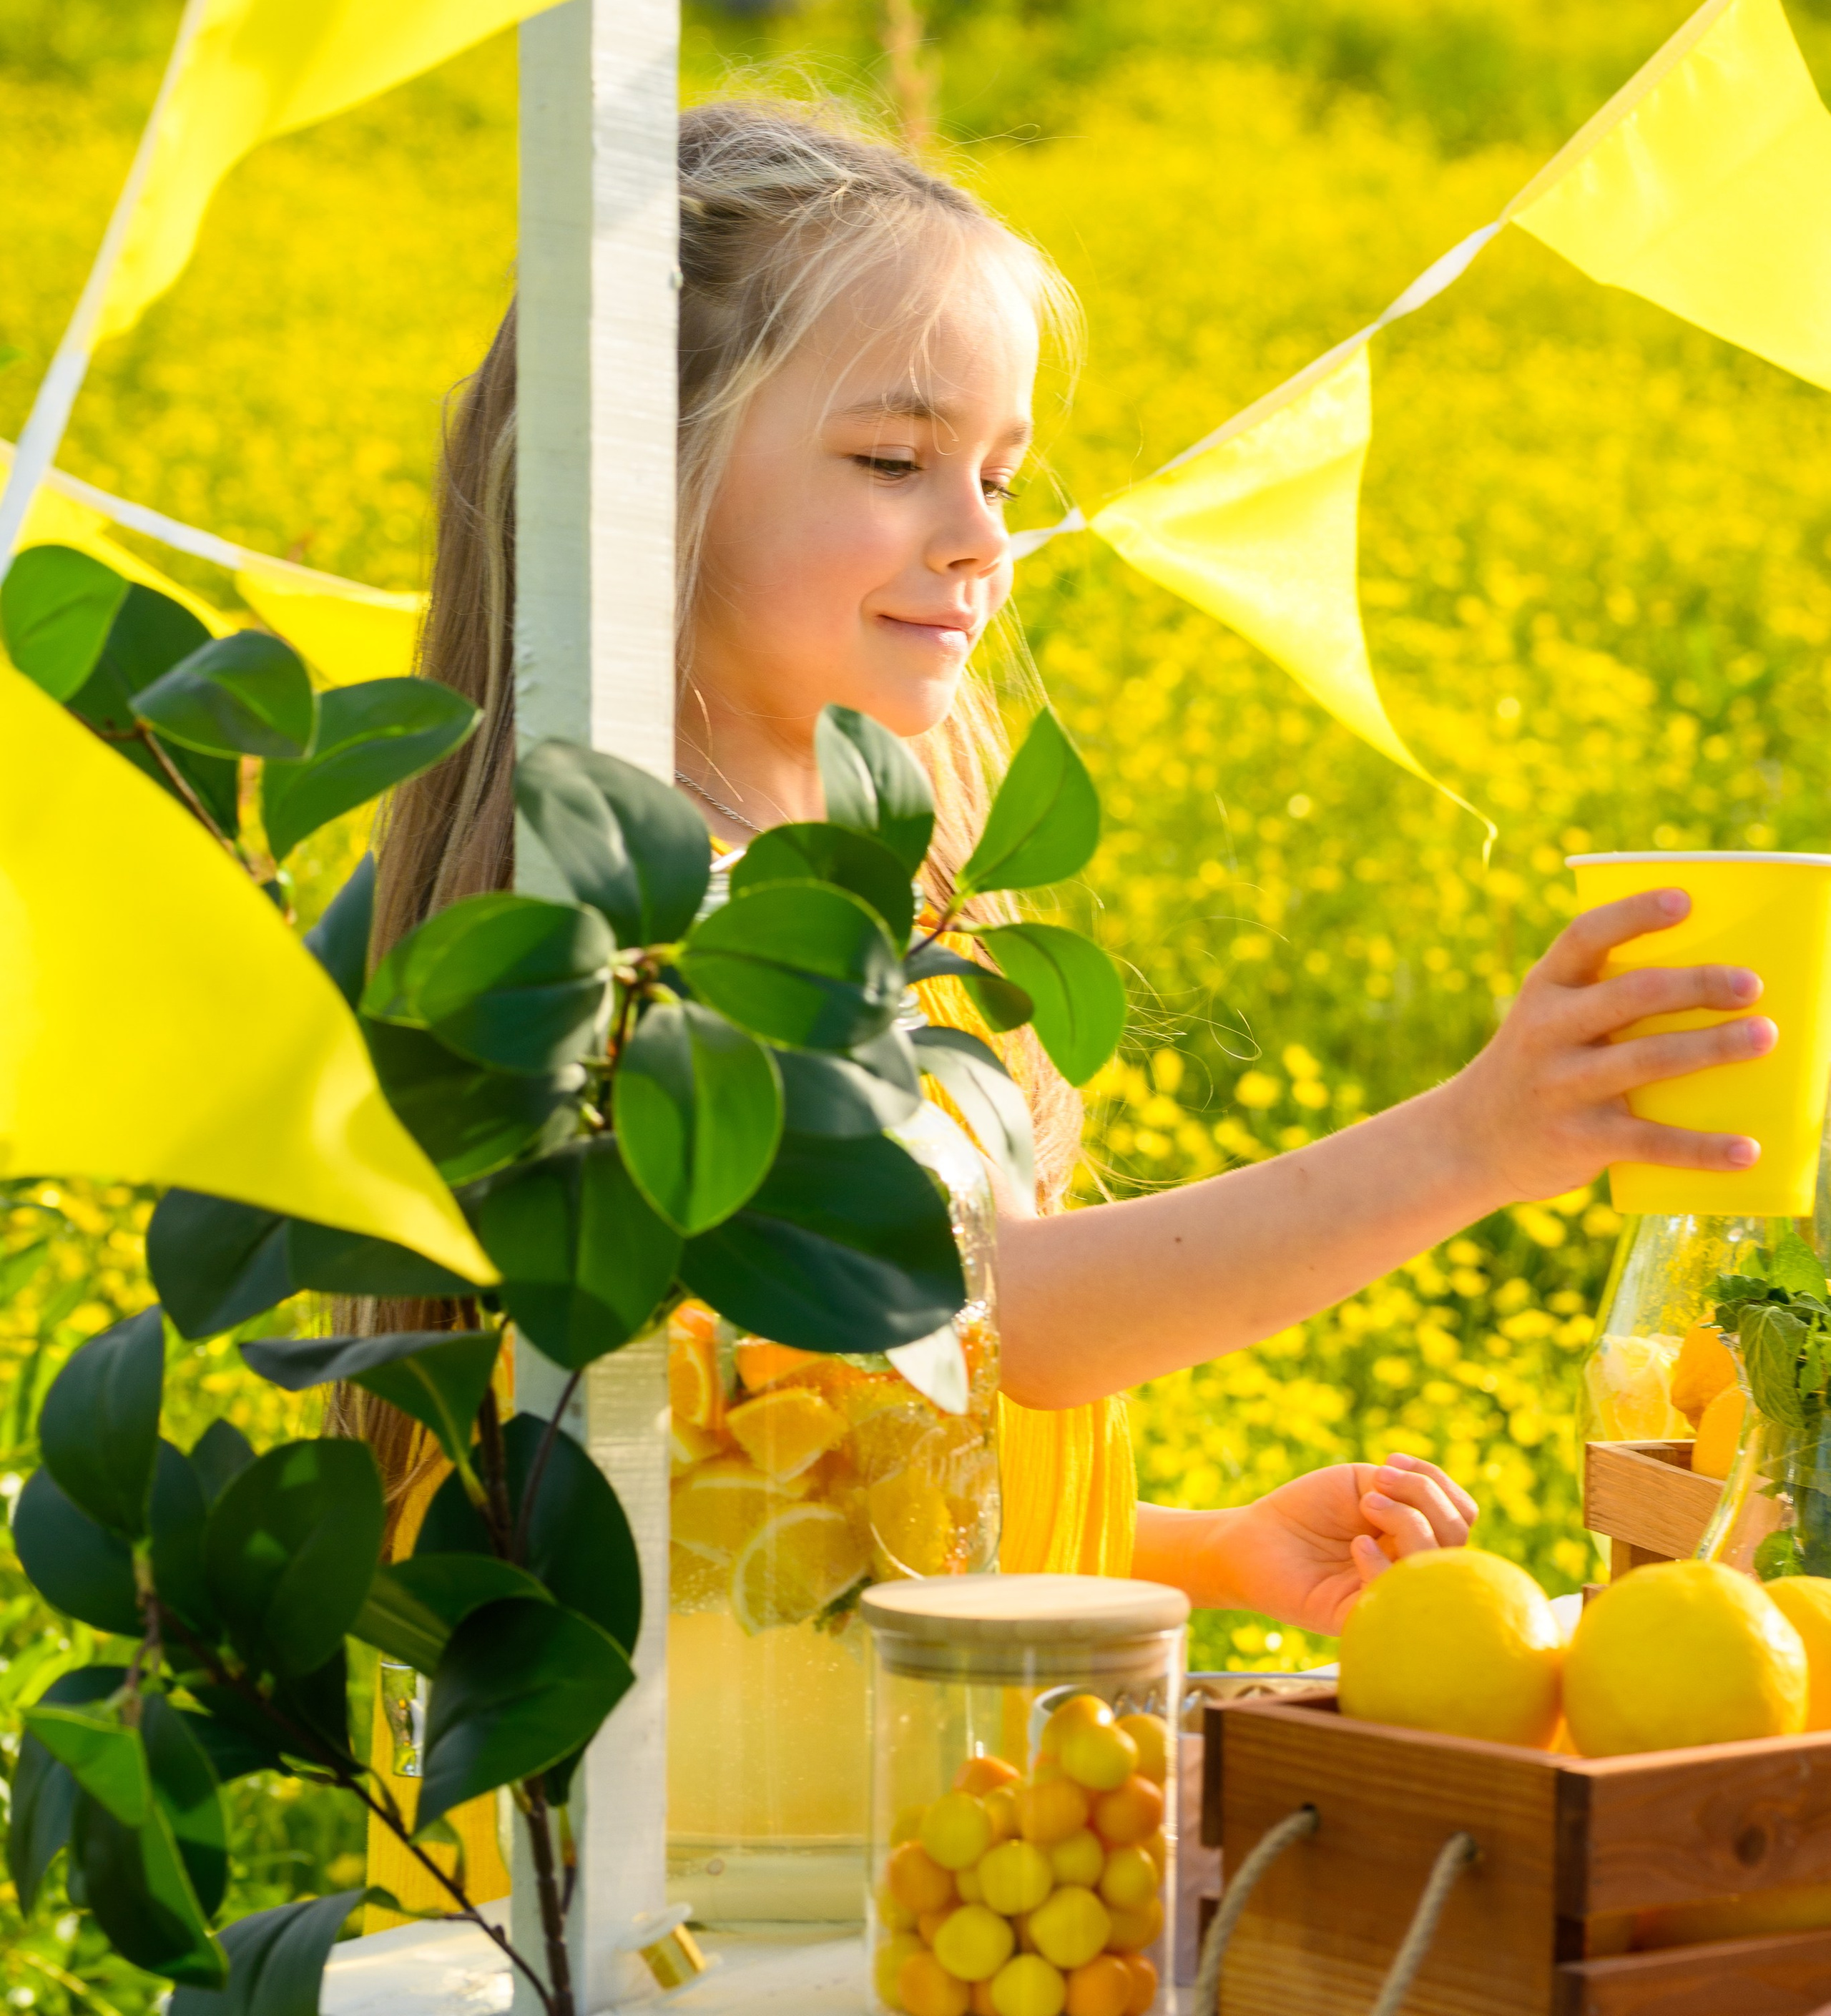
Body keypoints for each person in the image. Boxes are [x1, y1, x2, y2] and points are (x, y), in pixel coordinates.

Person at [370, 97, 1772, 1632]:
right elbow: (979, 1311)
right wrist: (1472, 1141)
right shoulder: (643, 937)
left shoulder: (881, 904)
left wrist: (1197, 1548)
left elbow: (856, 1435)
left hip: (891, 1757)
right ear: (641, 476)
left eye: (1000, 480)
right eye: (894, 458)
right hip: (723, 1789)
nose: (980, 538)